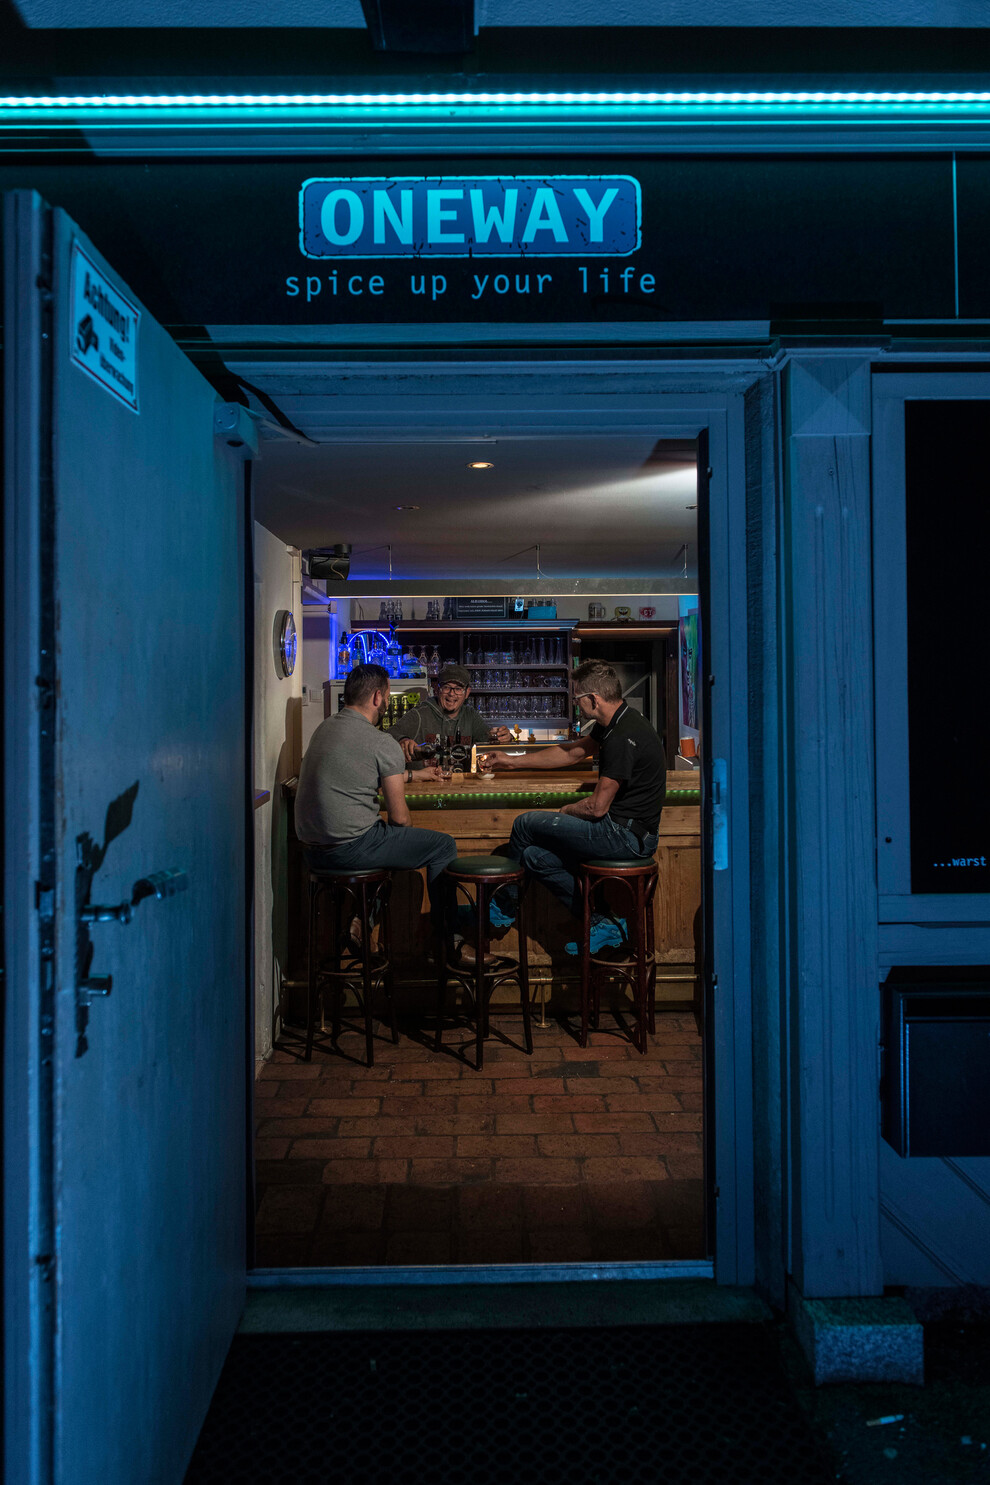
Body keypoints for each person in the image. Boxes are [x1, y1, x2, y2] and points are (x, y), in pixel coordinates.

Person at [487, 659, 665, 954]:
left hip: (626, 837)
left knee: (524, 824)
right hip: (625, 833)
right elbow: (572, 753)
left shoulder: (623, 735)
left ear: (593, 699)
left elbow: (597, 808)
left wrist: (565, 811)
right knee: (534, 857)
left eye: (577, 698)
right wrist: (511, 761)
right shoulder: (615, 723)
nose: (575, 704)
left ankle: (505, 906)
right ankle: (604, 921)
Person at [294, 663, 457, 939]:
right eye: (388, 696)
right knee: (442, 846)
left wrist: (414, 776)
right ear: (378, 697)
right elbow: (400, 819)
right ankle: (451, 941)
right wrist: (403, 839)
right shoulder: (381, 741)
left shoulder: (324, 729)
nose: (387, 704)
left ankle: (362, 919)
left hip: (311, 852)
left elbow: (357, 770)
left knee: (386, 841)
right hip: (350, 849)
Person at [390, 663, 511, 767]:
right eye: (446, 687)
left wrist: (504, 737)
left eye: (458, 689)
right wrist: (403, 740)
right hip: (425, 784)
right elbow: (388, 735)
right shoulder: (421, 714)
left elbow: (489, 742)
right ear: (437, 689)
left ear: (467, 692)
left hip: (462, 784)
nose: (452, 694)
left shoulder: (470, 716)